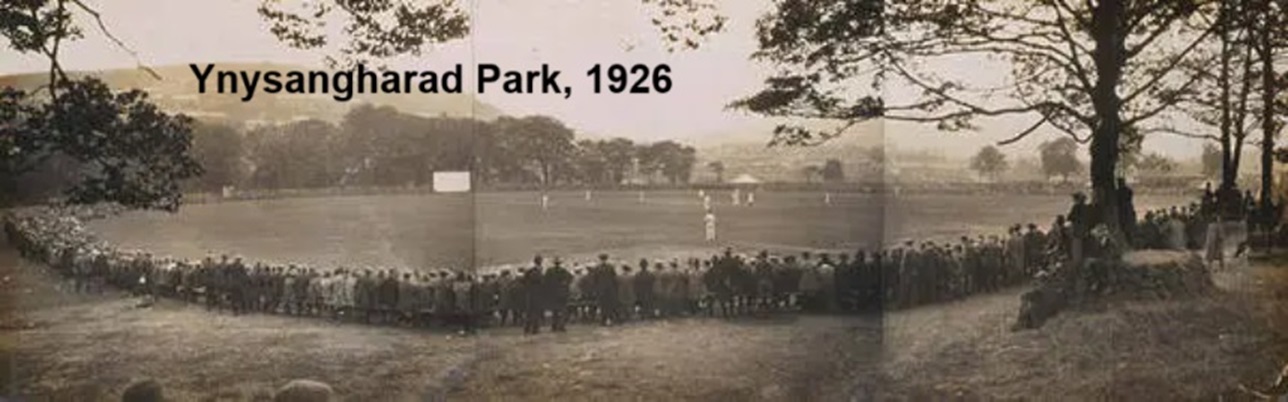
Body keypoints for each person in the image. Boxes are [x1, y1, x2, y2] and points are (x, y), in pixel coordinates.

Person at [544, 257, 574, 332]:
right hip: (562, 293)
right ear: (560, 263)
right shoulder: (563, 270)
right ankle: (561, 326)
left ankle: (554, 326)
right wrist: (565, 284)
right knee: (563, 310)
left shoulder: (549, 271)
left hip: (553, 294)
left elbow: (545, 282)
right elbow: (570, 277)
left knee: (555, 311)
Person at [522, 256, 546, 334]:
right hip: (536, 294)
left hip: (529, 294)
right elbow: (542, 282)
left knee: (529, 313)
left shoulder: (529, 271)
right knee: (535, 312)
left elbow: (524, 281)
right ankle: (534, 329)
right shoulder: (537, 271)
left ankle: (527, 329)